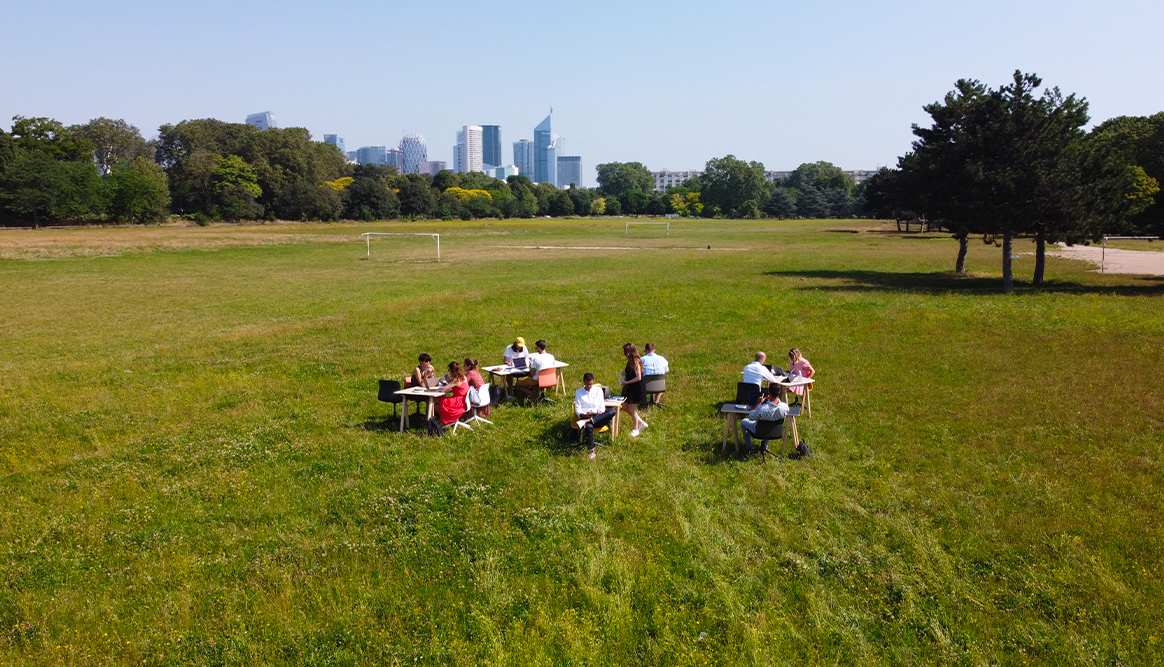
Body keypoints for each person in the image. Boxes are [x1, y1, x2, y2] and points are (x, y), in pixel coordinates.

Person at [574, 372, 618, 459]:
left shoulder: (598, 390)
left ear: (593, 382)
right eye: (587, 384)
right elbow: (578, 409)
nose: (589, 386)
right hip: (586, 417)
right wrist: (584, 415)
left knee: (612, 410)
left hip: (598, 417)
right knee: (589, 426)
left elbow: (602, 406)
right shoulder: (579, 393)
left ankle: (590, 420)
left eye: (590, 384)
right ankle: (592, 451)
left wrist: (600, 412)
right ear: (584, 382)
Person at [740, 385, 790, 451]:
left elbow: (751, 417)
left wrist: (758, 403)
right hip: (774, 432)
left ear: (769, 392)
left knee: (743, 422)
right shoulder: (785, 407)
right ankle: (765, 446)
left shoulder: (762, 409)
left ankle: (750, 447)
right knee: (769, 423)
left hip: (759, 431)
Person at [429, 361, 469, 434]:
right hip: (463, 401)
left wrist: (449, 384)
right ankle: (439, 420)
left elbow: (444, 389)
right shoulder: (464, 377)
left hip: (457, 403)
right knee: (440, 401)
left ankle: (433, 422)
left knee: (435, 402)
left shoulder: (456, 380)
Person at [619, 342, 649, 436]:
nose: (625, 354)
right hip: (631, 388)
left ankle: (636, 429)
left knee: (632, 410)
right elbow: (631, 373)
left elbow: (638, 377)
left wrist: (626, 383)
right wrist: (625, 372)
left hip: (637, 389)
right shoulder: (630, 361)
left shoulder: (636, 361)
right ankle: (641, 423)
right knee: (624, 407)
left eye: (626, 352)